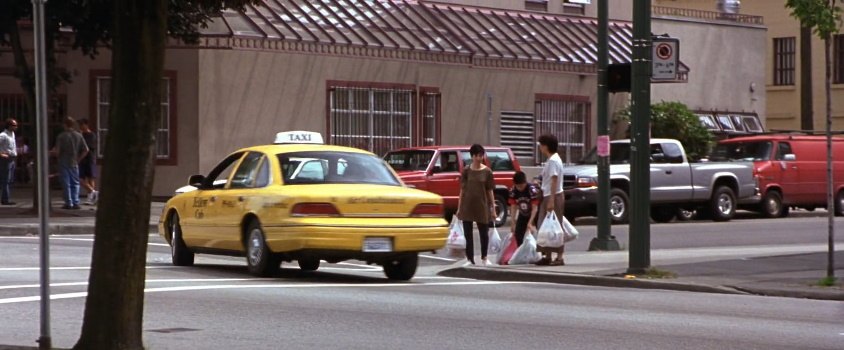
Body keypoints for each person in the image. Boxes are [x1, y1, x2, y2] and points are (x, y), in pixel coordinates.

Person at [456, 144, 495, 266]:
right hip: (467, 205)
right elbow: (462, 189)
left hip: (482, 205)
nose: (480, 158)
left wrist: (493, 208)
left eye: (481, 155)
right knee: (468, 233)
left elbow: (490, 190)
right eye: (478, 155)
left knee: (484, 232)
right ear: (472, 156)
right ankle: (469, 259)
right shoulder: (467, 171)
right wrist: (459, 207)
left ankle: (484, 257)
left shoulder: (487, 172)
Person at [536, 134, 566, 266]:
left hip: (553, 195)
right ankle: (547, 255)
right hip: (548, 194)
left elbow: (554, 180)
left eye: (541, 145)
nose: (540, 148)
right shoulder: (552, 160)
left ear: (546, 146)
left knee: (556, 226)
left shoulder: (553, 161)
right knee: (545, 226)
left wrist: (551, 200)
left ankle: (559, 256)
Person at [51, 117, 89, 210]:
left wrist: (52, 152)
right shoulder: (79, 135)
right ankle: (75, 201)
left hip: (64, 161)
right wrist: (78, 159)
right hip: (74, 161)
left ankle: (69, 202)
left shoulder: (61, 136)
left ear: (65, 125)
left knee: (66, 183)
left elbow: (58, 152)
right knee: (75, 183)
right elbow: (86, 150)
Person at [509, 171, 539, 247]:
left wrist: (530, 222)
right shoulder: (514, 190)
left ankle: (541, 252)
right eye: (518, 186)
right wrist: (512, 222)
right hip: (523, 213)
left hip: (534, 213)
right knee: (518, 234)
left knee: (539, 232)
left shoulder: (531, 189)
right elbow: (513, 206)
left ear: (525, 182)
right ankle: (521, 250)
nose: (520, 188)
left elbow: (535, 207)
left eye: (522, 186)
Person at [77, 118, 98, 204]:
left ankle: (91, 197)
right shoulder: (81, 135)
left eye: (82, 124)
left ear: (86, 125)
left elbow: (87, 148)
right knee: (80, 178)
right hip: (82, 160)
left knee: (90, 178)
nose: (80, 126)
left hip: (89, 159)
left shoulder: (91, 135)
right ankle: (93, 192)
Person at [0, 118, 18, 205]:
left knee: (10, 179)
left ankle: (6, 197)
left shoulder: (12, 134)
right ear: (9, 126)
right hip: (6, 159)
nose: (16, 127)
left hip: (12, 158)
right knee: (6, 179)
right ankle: (5, 199)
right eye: (14, 125)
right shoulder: (3, 135)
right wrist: (1, 154)